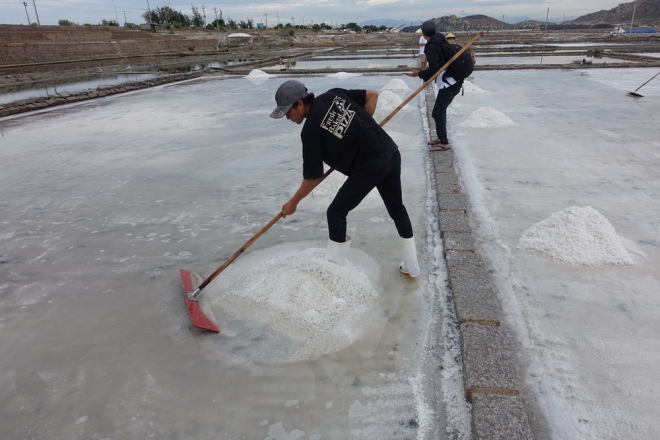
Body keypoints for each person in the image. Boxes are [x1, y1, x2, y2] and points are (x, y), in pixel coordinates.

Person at [270, 80, 420, 277]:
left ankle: (335, 269)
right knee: (397, 209)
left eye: (288, 112)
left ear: (299, 103)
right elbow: (372, 95)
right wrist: (363, 129)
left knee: (336, 212)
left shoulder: (310, 132)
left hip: (369, 167)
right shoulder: (333, 95)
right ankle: (412, 266)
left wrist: (293, 202)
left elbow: (313, 176)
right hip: (389, 152)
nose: (288, 117)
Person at [408, 21, 462, 152]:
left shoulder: (431, 46)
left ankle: (444, 143)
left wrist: (419, 74)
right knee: (440, 111)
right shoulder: (441, 39)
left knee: (437, 113)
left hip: (449, 84)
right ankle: (440, 137)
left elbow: (435, 69)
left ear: (423, 33)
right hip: (454, 80)